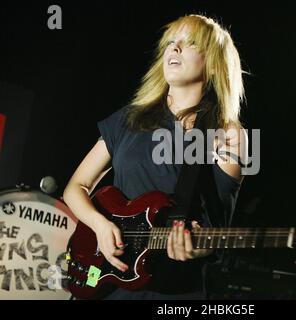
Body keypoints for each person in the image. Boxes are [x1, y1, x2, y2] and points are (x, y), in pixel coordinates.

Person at [63, 14, 248, 300]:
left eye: (189, 44)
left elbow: (217, 230)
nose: (174, 49)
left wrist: (198, 244)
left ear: (212, 64)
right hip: (110, 285)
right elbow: (76, 187)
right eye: (171, 43)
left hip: (172, 294)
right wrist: (99, 225)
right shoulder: (129, 119)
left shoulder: (227, 134)